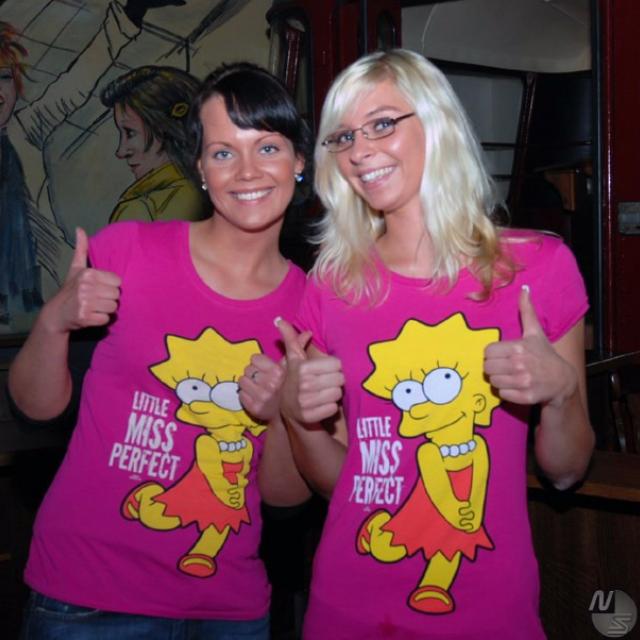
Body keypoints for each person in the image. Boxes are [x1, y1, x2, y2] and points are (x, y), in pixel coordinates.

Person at [269, 49, 595, 639]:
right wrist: (295, 417)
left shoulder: (538, 268)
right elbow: (340, 484)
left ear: (438, 123)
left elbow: (567, 472)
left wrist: (562, 393)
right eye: (343, 137)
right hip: (347, 610)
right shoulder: (333, 285)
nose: (359, 151)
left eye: (381, 124)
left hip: (489, 614)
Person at [8, 61, 312, 639]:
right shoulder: (126, 249)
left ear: (298, 160)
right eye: (222, 152)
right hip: (87, 595)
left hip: (226, 606)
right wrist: (54, 320)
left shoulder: (312, 306)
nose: (247, 171)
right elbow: (35, 406)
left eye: (268, 148)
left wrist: (279, 416)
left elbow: (283, 496)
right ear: (199, 168)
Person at [100, 65, 209, 223]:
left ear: (166, 128)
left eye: (130, 132)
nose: (121, 151)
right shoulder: (225, 194)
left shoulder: (141, 211)